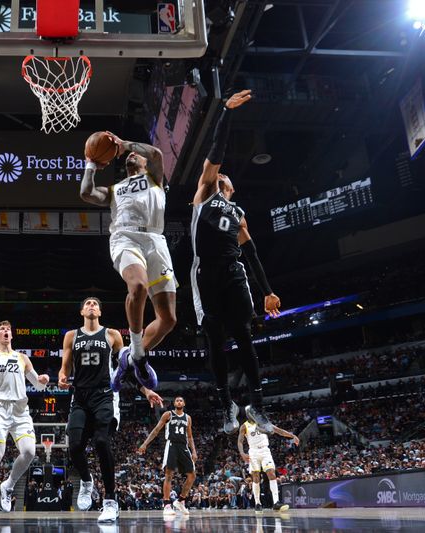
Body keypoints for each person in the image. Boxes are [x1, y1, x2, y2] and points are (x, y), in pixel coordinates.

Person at [190, 89, 281, 434]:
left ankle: (257, 405)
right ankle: (227, 403)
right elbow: (217, 150)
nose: (220, 172)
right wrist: (226, 112)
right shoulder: (204, 193)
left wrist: (268, 291)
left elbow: (253, 253)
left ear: (232, 186)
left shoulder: (239, 215)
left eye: (224, 175)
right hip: (205, 273)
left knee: (243, 335)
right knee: (215, 338)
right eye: (218, 172)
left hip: (233, 272)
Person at [80, 134, 178, 393]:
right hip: (125, 237)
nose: (133, 157)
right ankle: (137, 352)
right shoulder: (115, 189)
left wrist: (125, 145)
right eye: (129, 156)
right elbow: (86, 193)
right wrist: (91, 163)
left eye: (137, 155)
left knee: (168, 320)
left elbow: (156, 153)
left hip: (156, 241)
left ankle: (128, 359)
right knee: (138, 287)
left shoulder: (155, 177)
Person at [58, 297, 164, 523]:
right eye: (87, 303)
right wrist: (61, 378)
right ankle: (87, 481)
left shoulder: (112, 335)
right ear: (81, 311)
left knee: (102, 442)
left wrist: (146, 391)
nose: (92, 305)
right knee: (74, 445)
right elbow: (65, 367)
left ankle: (110, 501)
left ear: (100, 311)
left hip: (105, 395)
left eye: (96, 303)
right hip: (80, 396)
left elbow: (127, 367)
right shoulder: (71, 336)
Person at [0, 320, 49, 521]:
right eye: (2, 329)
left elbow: (37, 385)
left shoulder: (22, 358)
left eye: (8, 330)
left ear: (11, 335)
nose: (6, 331)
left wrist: (43, 380)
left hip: (20, 410)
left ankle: (8, 485)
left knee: (30, 452)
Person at [137, 396, 197, 517]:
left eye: (181, 400)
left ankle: (180, 501)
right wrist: (144, 444)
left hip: (184, 447)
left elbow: (190, 436)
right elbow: (156, 430)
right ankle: (166, 504)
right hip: (172, 445)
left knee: (192, 475)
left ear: (184, 403)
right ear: (174, 403)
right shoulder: (168, 414)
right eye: (177, 400)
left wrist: (194, 451)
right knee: (169, 475)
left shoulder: (188, 418)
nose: (179, 401)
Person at [237, 419, 298, 512]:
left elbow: (278, 430)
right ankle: (257, 503)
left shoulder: (263, 422)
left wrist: (292, 436)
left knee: (271, 474)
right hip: (253, 452)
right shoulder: (244, 426)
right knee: (256, 477)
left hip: (265, 451)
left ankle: (276, 502)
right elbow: (240, 441)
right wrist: (242, 453)